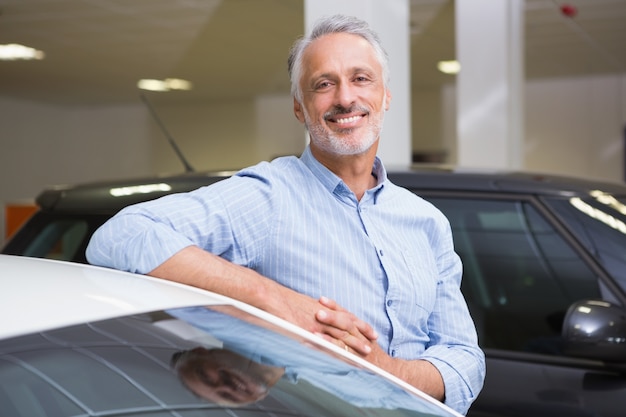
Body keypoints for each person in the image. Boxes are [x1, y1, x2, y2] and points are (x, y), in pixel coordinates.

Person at [86, 14, 485, 415]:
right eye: (324, 84)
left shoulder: (427, 221)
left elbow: (465, 362)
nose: (345, 97)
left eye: (361, 78)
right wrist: (270, 299)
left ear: (385, 96)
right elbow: (120, 236)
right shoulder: (269, 197)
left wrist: (386, 370)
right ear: (300, 107)